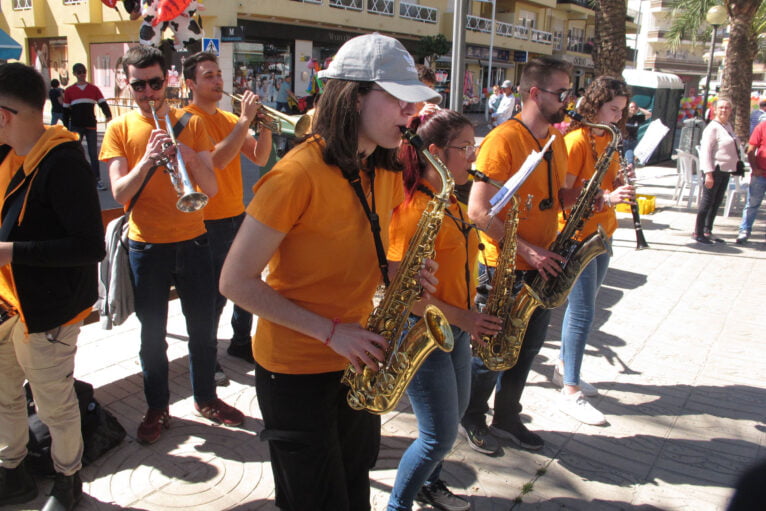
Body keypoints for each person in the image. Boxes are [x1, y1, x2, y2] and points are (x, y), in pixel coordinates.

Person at [219, 33, 440, 511]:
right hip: (297, 370)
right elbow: (234, 282)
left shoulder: (379, 167)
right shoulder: (295, 175)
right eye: (399, 99)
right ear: (354, 95)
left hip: (356, 357)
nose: (411, 114)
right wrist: (331, 332)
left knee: (352, 488)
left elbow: (362, 253)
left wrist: (405, 274)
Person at [99, 45, 244, 445]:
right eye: (139, 85)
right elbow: (118, 194)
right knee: (152, 336)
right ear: (128, 86)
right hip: (147, 247)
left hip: (194, 241)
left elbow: (211, 189)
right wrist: (147, 160)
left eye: (155, 83)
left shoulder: (189, 122)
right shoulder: (120, 129)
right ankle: (157, 407)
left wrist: (192, 161)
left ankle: (206, 399)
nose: (148, 92)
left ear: (168, 81)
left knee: (201, 329)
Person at [460, 56, 579, 454]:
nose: (567, 98)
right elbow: (478, 211)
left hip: (543, 264)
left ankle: (507, 416)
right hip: (504, 268)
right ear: (534, 93)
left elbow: (557, 197)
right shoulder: (502, 140)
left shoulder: (557, 139)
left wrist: (584, 198)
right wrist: (529, 251)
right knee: (492, 351)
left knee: (526, 349)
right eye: (560, 91)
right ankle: (472, 415)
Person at [386, 108, 503, 511]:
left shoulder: (449, 199)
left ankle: (428, 485)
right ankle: (397, 505)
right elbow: (404, 295)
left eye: (475, 146)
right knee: (437, 435)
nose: (474, 156)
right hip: (423, 331)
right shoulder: (413, 211)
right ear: (435, 152)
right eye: (465, 147)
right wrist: (467, 318)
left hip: (454, 329)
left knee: (448, 422)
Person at [0, 63, 105, 511]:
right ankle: (13, 471)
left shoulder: (62, 163)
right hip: (8, 306)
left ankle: (69, 480)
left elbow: (89, 246)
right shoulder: (7, 153)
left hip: (48, 313)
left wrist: (11, 253)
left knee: (54, 407)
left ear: (5, 115)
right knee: (3, 395)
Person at [182, 51, 272, 364]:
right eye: (208, 76)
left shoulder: (230, 119)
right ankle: (208, 359)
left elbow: (259, 157)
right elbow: (217, 160)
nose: (218, 81)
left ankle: (240, 341)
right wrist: (246, 120)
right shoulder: (186, 120)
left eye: (219, 74)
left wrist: (265, 125)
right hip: (207, 220)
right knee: (214, 295)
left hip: (238, 213)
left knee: (249, 281)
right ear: (190, 83)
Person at [554, 76, 635, 426]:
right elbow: (563, 197)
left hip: (604, 231)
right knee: (584, 311)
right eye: (612, 109)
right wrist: (605, 196)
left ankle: (563, 367)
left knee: (586, 306)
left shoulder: (609, 139)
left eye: (621, 111)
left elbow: (607, 180)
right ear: (594, 106)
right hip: (578, 235)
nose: (617, 117)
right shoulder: (575, 141)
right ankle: (570, 390)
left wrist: (619, 183)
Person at [694, 98, 742, 244]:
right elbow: (706, 151)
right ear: (715, 109)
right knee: (707, 201)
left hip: (726, 170)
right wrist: (708, 173)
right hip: (714, 169)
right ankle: (698, 232)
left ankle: (708, 230)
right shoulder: (712, 128)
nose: (724, 110)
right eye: (721, 107)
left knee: (717, 201)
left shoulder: (727, 126)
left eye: (727, 108)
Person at [63, 63, 112, 191]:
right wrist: (65, 127)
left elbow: (102, 103)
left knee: (93, 154)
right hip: (76, 126)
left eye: (83, 71)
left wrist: (108, 116)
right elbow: (65, 110)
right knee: (77, 154)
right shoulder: (69, 91)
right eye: (79, 72)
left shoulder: (93, 89)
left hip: (90, 125)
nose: (82, 74)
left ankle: (97, 180)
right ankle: (78, 179)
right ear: (74, 74)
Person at [736, 115, 766, 244]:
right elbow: (751, 149)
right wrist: (755, 169)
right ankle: (744, 230)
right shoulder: (762, 127)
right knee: (752, 204)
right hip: (760, 175)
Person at [623, 101, 652, 167]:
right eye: (631, 107)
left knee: (630, 157)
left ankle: (630, 169)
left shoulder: (637, 118)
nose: (633, 109)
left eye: (635, 107)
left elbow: (649, 114)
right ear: (627, 108)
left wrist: (639, 109)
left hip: (632, 141)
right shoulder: (622, 117)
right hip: (622, 141)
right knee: (621, 158)